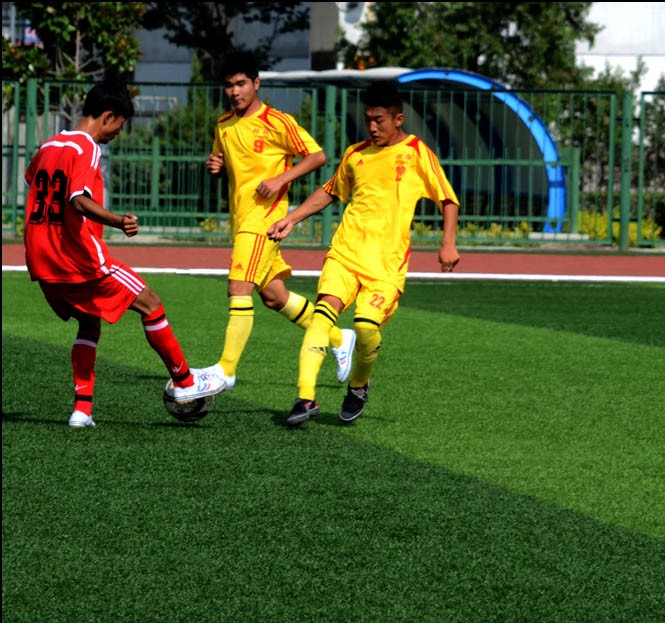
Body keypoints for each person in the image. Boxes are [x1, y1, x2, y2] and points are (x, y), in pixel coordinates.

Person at [23, 75, 228, 429]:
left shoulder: (49, 146)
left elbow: (34, 184)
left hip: (41, 262)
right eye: (120, 123)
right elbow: (78, 200)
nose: (119, 131)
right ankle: (185, 383)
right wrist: (118, 221)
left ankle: (81, 411)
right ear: (107, 115)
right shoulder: (86, 147)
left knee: (89, 322)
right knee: (152, 303)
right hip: (78, 261)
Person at [267, 79, 460, 426]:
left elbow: (447, 198)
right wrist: (291, 219)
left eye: (379, 120)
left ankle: (358, 385)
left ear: (398, 119)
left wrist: (448, 243)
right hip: (345, 252)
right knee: (323, 314)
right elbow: (329, 192)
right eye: (368, 119)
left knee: (366, 328)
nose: (372, 126)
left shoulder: (417, 152)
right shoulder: (355, 154)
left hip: (386, 265)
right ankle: (305, 397)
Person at [203, 49, 355, 394]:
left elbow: (317, 156)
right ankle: (338, 336)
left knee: (237, 288)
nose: (235, 91)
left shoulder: (278, 121)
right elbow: (226, 162)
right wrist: (217, 167)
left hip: (265, 220)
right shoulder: (223, 125)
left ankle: (225, 370)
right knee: (273, 296)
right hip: (240, 218)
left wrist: (279, 180)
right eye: (229, 85)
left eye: (241, 83)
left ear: (256, 84)